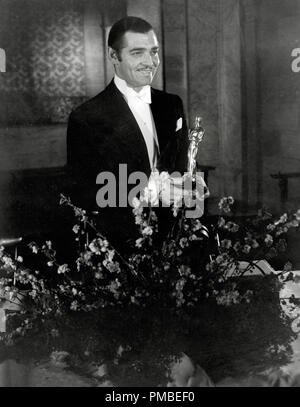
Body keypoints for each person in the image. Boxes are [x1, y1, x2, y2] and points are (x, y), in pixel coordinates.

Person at [66, 16, 189, 252]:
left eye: (154, 52)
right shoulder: (86, 117)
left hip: (174, 241)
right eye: (137, 53)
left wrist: (188, 187)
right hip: (121, 246)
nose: (150, 62)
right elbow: (84, 192)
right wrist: (144, 193)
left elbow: (182, 167)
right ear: (114, 56)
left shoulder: (172, 104)